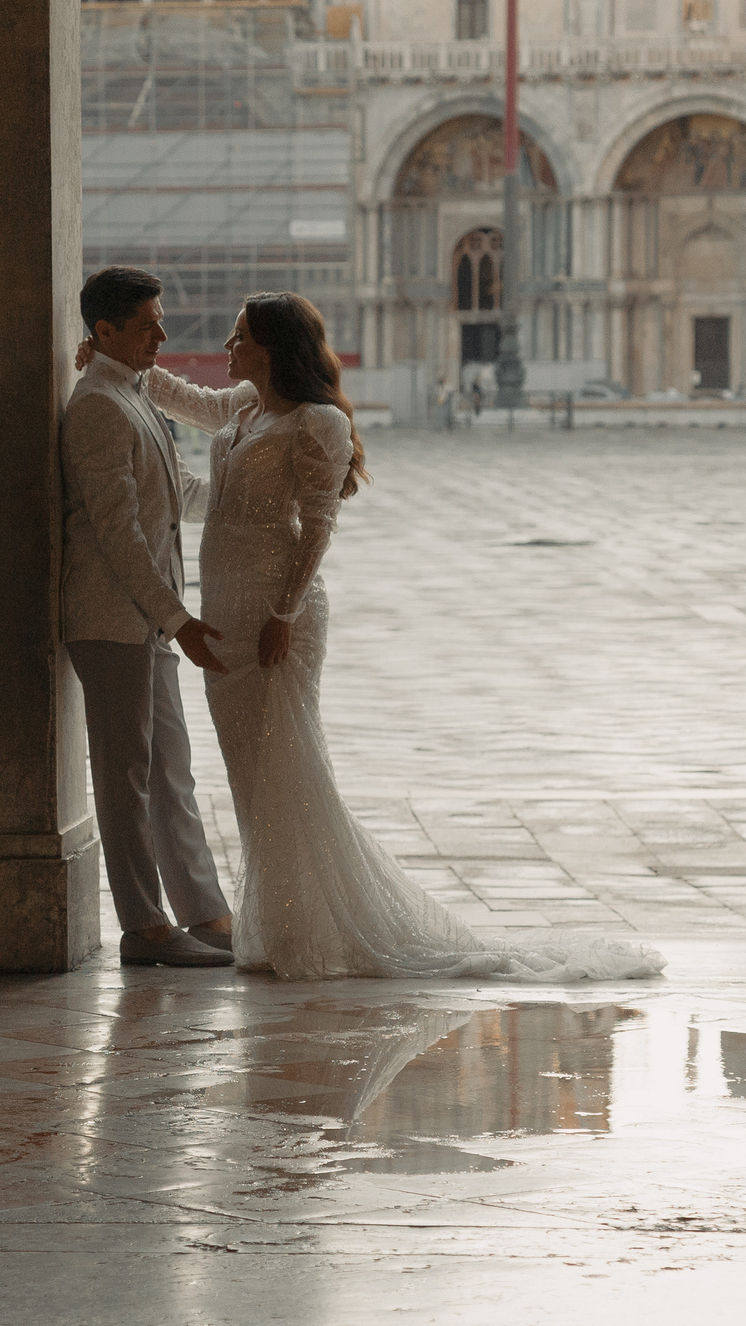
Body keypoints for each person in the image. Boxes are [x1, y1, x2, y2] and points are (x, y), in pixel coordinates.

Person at [141, 292, 665, 985]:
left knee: (288, 769)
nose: (228, 347)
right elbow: (188, 400)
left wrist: (283, 616)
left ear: (271, 347)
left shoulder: (318, 422)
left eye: (239, 337)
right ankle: (282, 922)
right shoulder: (242, 406)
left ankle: (314, 928)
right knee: (247, 774)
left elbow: (318, 527)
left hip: (275, 616)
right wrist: (117, 361)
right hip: (225, 614)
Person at [59, 268, 237, 969]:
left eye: (160, 320)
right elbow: (118, 532)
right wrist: (178, 618)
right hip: (111, 620)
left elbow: (178, 494)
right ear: (105, 331)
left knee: (171, 771)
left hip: (150, 619)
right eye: (147, 324)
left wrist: (253, 494)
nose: (163, 334)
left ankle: (204, 913)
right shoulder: (98, 405)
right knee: (125, 774)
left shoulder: (133, 394)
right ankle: (145, 927)